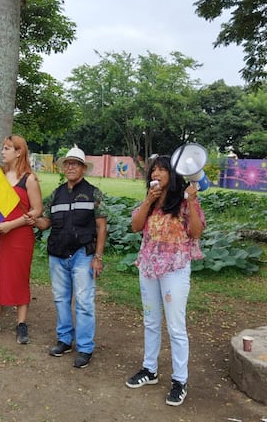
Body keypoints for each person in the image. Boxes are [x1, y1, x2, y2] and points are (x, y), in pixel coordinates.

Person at [124, 154, 205, 406]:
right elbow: (136, 226)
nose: (155, 174)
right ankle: (150, 369)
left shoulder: (183, 201)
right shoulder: (151, 201)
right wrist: (148, 201)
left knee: (176, 327)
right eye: (153, 171)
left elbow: (196, 231)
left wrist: (191, 202)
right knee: (150, 320)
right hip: (148, 267)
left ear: (172, 174)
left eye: (161, 170)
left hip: (175, 269)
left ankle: (179, 380)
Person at [29, 145, 108, 369]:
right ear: (64, 168)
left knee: (84, 302)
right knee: (60, 298)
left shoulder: (94, 193)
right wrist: (34, 219)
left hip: (83, 254)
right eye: (68, 163)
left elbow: (101, 227)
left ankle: (85, 348)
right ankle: (64, 339)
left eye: (76, 164)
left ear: (83, 168)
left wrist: (98, 257)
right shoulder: (56, 194)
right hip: (57, 254)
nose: (71, 167)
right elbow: (46, 223)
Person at [0, 135, 43, 344]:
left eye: (7, 148)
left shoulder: (29, 178)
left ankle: (21, 324)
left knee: (19, 278)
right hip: (0, 234)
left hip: (20, 235)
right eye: (3, 148)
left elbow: (37, 209)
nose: (3, 152)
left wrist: (13, 224)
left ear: (19, 152)